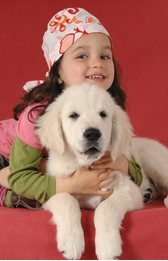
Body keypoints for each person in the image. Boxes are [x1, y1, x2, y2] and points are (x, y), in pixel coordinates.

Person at [0, 7, 142, 209]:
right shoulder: (37, 115)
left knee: (48, 172)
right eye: (82, 56)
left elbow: (135, 170)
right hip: (8, 156)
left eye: (104, 57)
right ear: (58, 70)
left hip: (52, 162)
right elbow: (21, 175)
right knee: (25, 188)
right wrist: (72, 185)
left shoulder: (108, 108)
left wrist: (122, 164)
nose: (97, 63)